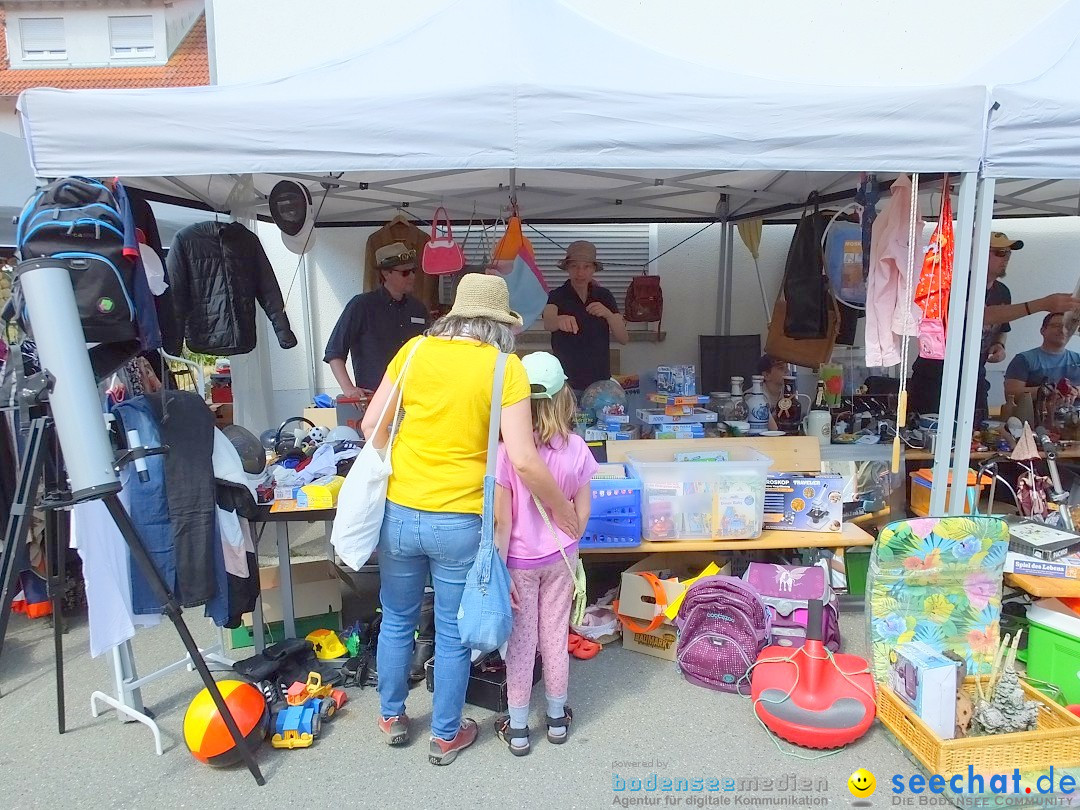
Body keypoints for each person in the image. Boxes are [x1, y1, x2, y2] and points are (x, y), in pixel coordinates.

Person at [360, 274, 579, 767]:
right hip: (460, 520)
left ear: (455, 315)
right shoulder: (507, 369)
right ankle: (444, 734)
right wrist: (562, 509)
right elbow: (523, 458)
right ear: (501, 325)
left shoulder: (413, 351)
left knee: (396, 618)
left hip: (400, 511)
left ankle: (392, 716)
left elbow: (372, 424)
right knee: (455, 629)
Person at [491, 351, 597, 756]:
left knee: (520, 643)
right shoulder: (577, 449)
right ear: (563, 396)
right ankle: (555, 718)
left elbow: (502, 522)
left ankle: (517, 727)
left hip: (518, 562)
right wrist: (571, 544)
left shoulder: (506, 454)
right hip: (561, 558)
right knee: (555, 636)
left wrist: (500, 574)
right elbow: (581, 511)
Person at [909, 232, 1080, 423]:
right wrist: (1042, 304)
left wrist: (999, 345)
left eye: (1007, 253)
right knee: (928, 431)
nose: (1005, 258)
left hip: (975, 375)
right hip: (937, 374)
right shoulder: (955, 284)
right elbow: (979, 315)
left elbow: (1001, 328)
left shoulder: (1002, 291)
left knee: (976, 430)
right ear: (978, 254)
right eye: (999, 253)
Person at [323, 241, 430, 398]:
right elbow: (334, 351)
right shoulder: (361, 306)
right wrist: (349, 389)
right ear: (386, 274)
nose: (412, 276)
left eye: (413, 271)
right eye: (405, 273)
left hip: (413, 398)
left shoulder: (418, 308)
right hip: (376, 399)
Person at [542, 240, 630, 394]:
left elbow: (623, 338)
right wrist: (559, 320)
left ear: (593, 269)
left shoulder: (604, 296)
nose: (580, 273)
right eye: (574, 266)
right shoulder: (558, 295)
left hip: (600, 383)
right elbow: (548, 321)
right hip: (566, 384)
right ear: (567, 268)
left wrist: (608, 315)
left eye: (586, 267)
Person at [1004, 313, 1080, 400]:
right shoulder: (1023, 360)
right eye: (1056, 326)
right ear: (1043, 330)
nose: (1063, 330)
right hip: (1035, 413)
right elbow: (1011, 394)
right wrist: (1047, 390)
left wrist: (1075, 390)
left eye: (1068, 327)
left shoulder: (1078, 359)